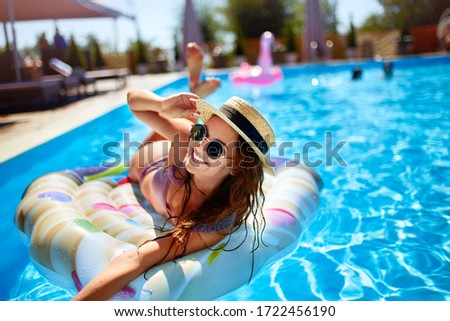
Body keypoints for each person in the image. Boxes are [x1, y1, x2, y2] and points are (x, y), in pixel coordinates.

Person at [72, 91, 275, 301]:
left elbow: (139, 259)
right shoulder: (188, 140)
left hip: (166, 164)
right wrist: (162, 105)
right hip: (145, 162)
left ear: (235, 166)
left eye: (215, 149)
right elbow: (134, 101)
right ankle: (192, 105)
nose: (200, 145)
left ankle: (193, 98)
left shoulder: (214, 224)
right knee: (173, 134)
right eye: (202, 132)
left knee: (176, 131)